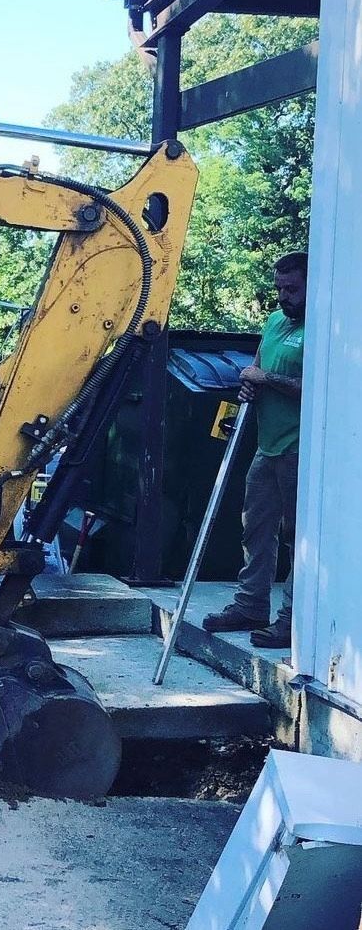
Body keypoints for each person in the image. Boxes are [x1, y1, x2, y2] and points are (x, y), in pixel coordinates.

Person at [202, 251, 306, 649]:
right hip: (268, 443)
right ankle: (250, 604)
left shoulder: (323, 329)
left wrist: (267, 378)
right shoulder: (276, 322)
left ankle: (292, 618)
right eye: (279, 288)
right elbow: (257, 371)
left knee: (298, 535)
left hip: (300, 446)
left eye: (292, 289)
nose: (283, 296)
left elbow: (316, 386)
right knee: (255, 527)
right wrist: (250, 385)